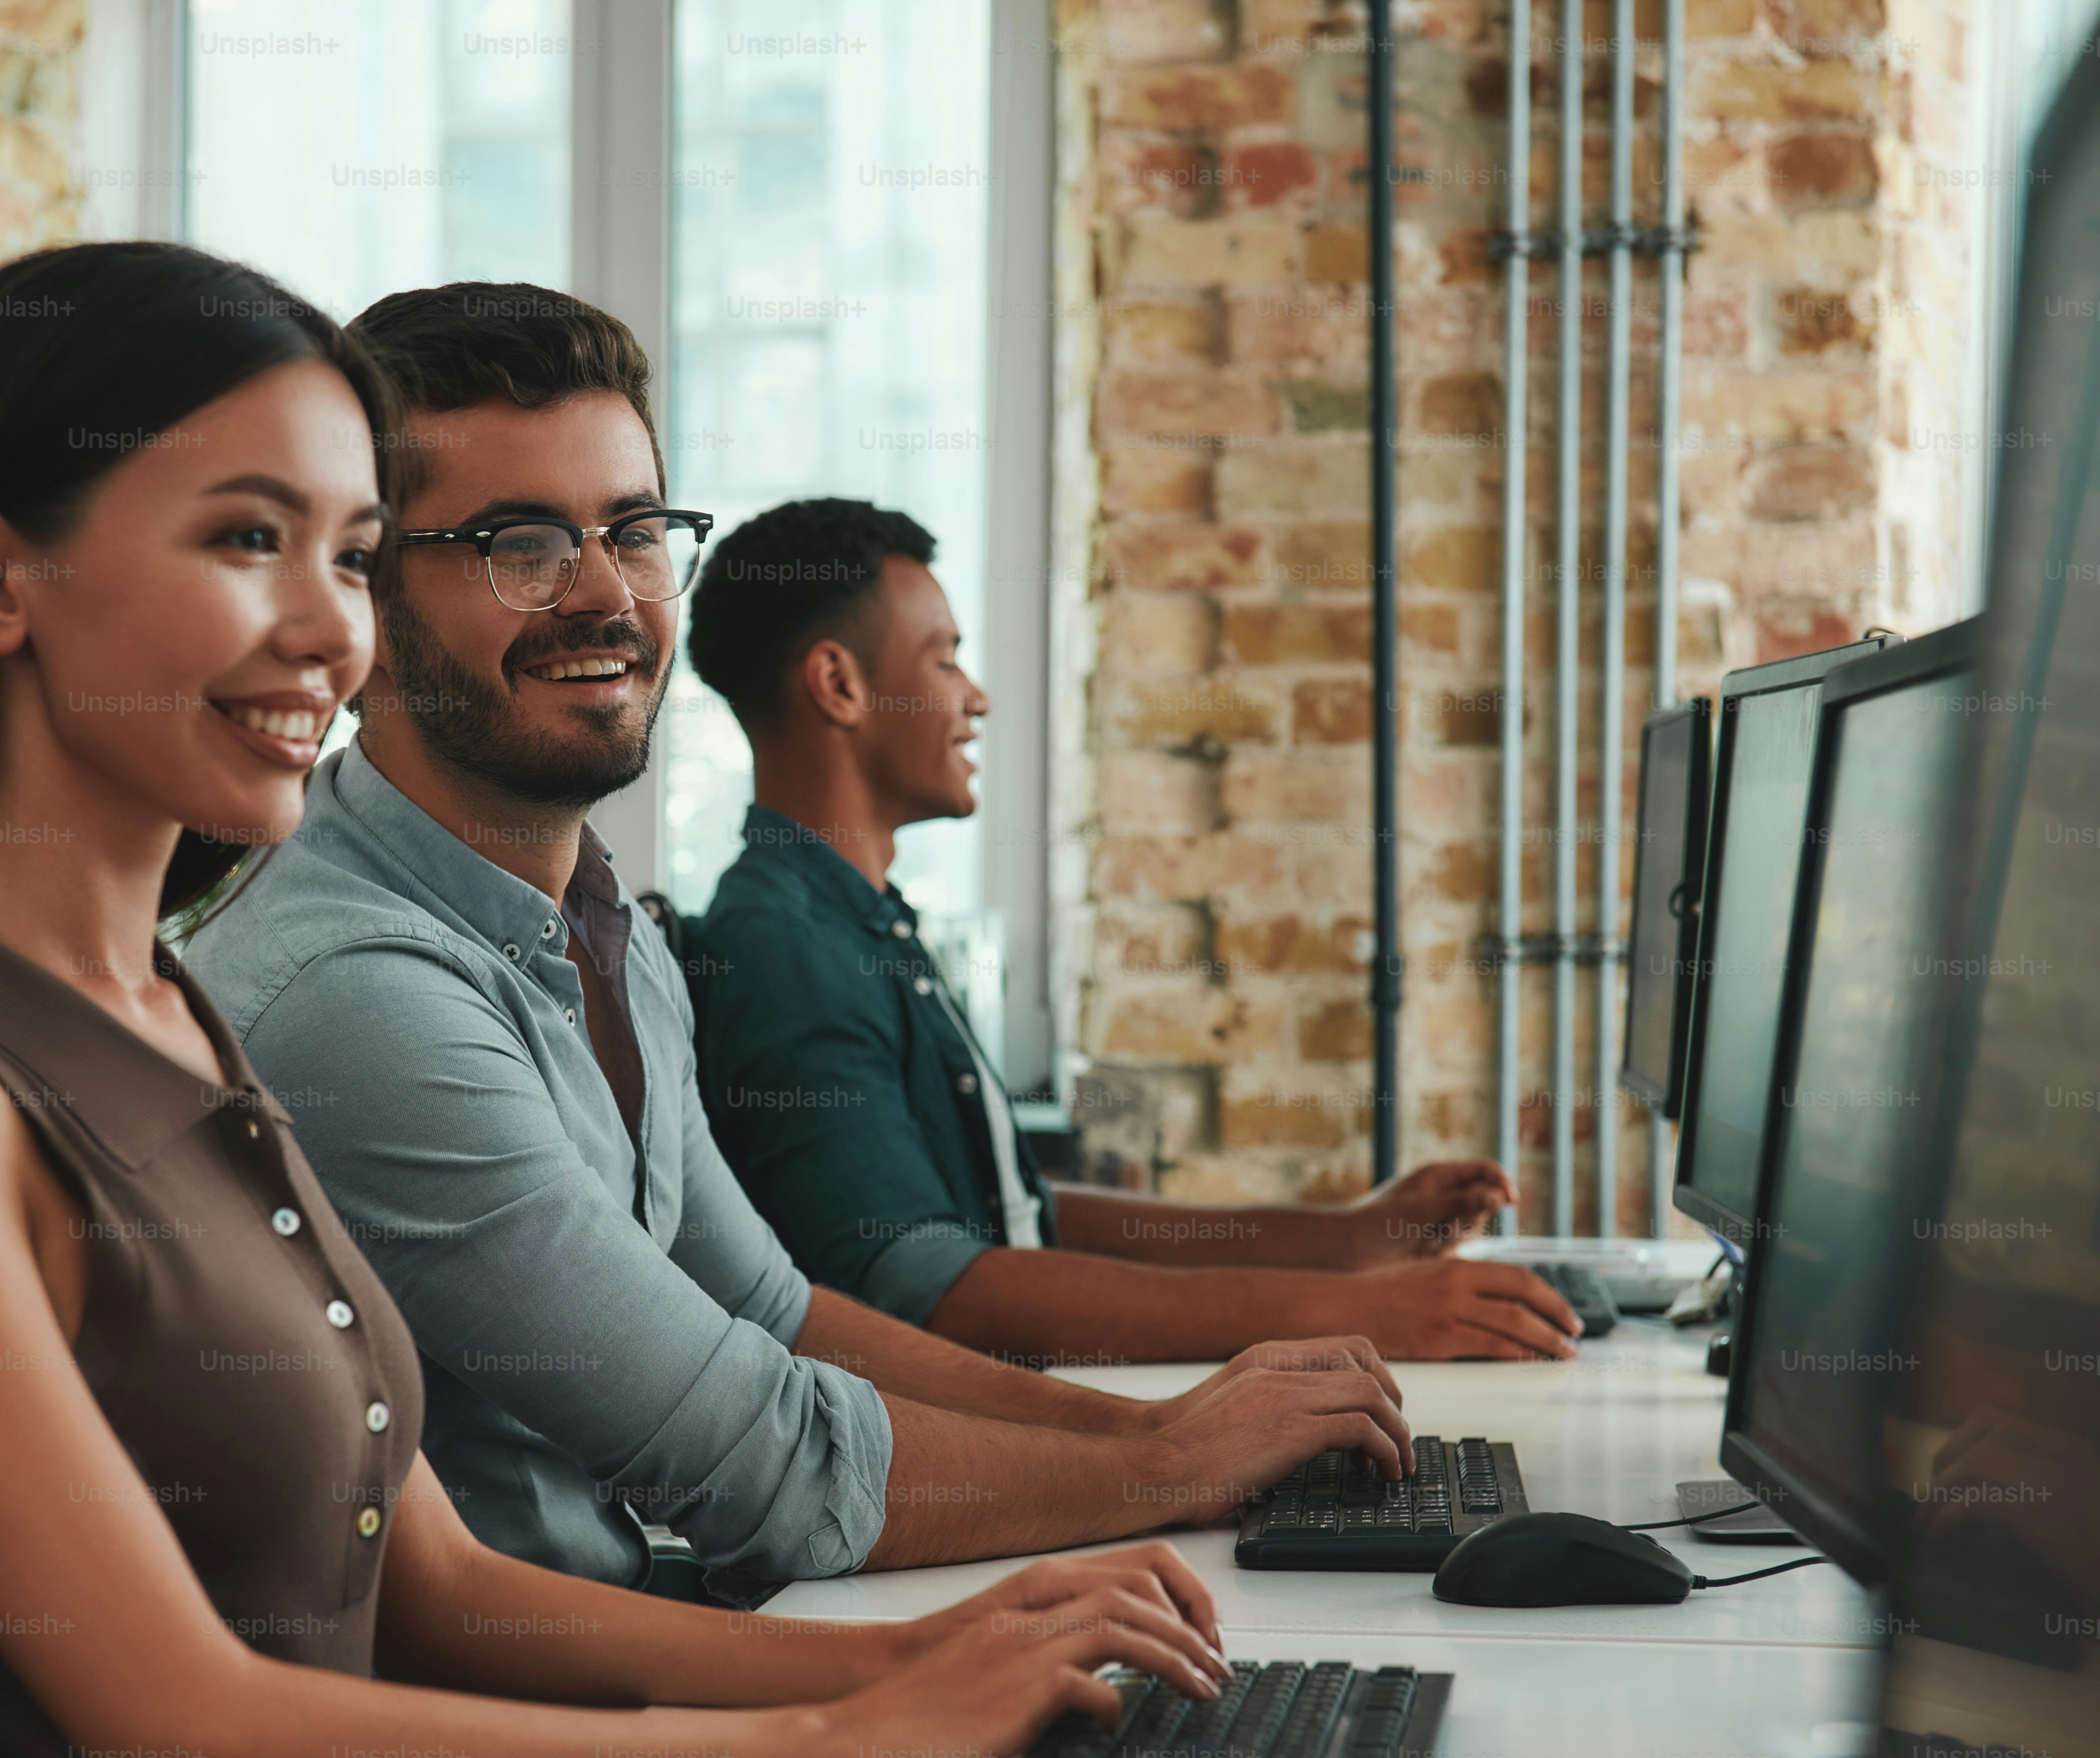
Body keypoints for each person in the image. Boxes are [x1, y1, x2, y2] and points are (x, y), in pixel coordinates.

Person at [0, 242, 1233, 1758]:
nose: (326, 630)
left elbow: (443, 1590)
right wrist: (845, 1728)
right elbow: (183, 1715)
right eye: (244, 540)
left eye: (350, 555)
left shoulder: (168, 1015)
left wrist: (922, 1657)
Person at [185, 281, 1418, 1598]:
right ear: (364, 603)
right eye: (519, 543)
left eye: (635, 530)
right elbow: (765, 1464)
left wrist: (1165, 1434)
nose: (604, 595)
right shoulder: (358, 996)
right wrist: (1171, 1470)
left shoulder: (605, 927)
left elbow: (778, 1317)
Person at [681, 498, 1584, 1364]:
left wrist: (1344, 1242)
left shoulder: (855, 916)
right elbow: (933, 1289)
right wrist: (1354, 1313)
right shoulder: (784, 944)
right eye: (945, 660)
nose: (978, 697)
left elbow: (1012, 1217)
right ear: (839, 684)